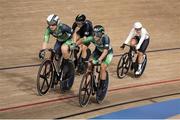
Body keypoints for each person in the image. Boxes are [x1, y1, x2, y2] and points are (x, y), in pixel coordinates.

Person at [76, 25, 113, 100]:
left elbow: (105, 51)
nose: (95, 36)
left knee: (103, 66)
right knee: (89, 64)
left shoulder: (105, 38)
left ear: (101, 34)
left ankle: (102, 87)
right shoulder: (92, 37)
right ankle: (90, 77)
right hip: (98, 51)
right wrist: (74, 45)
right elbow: (83, 40)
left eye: (97, 34)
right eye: (94, 33)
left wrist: (99, 59)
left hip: (107, 53)